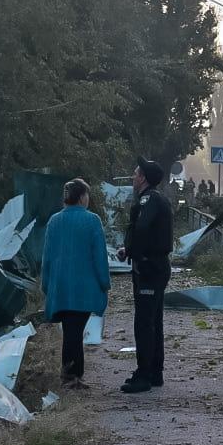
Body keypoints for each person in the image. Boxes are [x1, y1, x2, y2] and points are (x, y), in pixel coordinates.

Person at [42, 178, 110, 389]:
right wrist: (104, 282)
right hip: (84, 289)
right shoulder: (92, 221)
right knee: (74, 331)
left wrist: (46, 285)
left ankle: (71, 374)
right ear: (82, 197)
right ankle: (72, 376)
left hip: (61, 287)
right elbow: (99, 256)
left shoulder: (54, 221)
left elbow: (47, 257)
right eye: (87, 195)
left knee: (71, 331)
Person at [117, 159, 173, 393]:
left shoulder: (148, 199)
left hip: (149, 268)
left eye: (135, 173)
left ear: (143, 178)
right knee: (153, 321)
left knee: (144, 323)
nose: (132, 177)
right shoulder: (157, 199)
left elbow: (141, 228)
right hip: (156, 266)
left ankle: (144, 374)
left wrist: (132, 252)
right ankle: (155, 372)